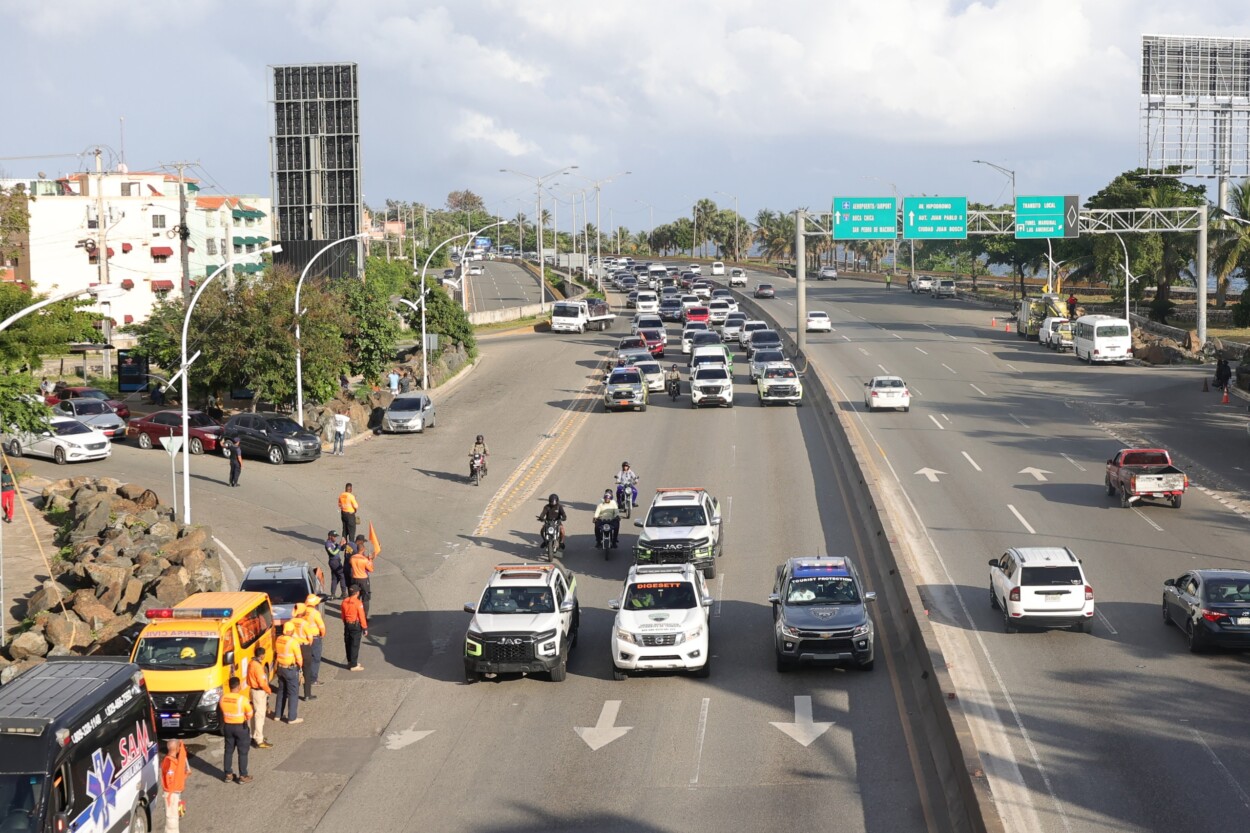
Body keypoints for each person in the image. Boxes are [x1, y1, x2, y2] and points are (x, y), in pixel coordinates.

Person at [219, 677, 253, 783]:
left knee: (228, 751)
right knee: (242, 752)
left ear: (230, 686)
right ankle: (243, 776)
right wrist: (244, 719)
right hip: (240, 727)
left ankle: (228, 774)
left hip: (228, 726)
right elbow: (250, 713)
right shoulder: (242, 700)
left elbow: (220, 711)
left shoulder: (223, 698)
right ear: (238, 686)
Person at [272, 622, 303, 725]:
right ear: (291, 631)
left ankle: (277, 715)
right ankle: (292, 718)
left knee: (281, 691)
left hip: (280, 668)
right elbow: (299, 659)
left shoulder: (279, 639)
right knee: (293, 693)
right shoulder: (293, 642)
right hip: (290, 669)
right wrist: (300, 667)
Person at [245, 647, 273, 749]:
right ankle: (259, 740)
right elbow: (262, 682)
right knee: (260, 716)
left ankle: (254, 736)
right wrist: (268, 690)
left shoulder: (251, 663)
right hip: (259, 692)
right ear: (261, 655)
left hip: (252, 690)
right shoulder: (257, 667)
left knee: (254, 715)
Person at [299, 596, 326, 699]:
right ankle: (313, 679)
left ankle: (304, 677)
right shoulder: (315, 613)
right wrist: (322, 635)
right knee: (316, 658)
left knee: (306, 658)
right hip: (315, 638)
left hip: (304, 638)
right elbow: (321, 626)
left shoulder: (303, 611)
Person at [160, 739, 189, 831]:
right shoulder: (169, 763)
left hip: (174, 794)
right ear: (176, 748)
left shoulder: (170, 760)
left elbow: (176, 778)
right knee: (172, 820)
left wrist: (184, 775)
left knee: (175, 817)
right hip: (172, 795)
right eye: (179, 747)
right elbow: (170, 781)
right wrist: (172, 795)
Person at [341, 585, 368, 671]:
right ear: (357, 592)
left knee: (348, 643)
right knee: (354, 644)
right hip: (355, 625)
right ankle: (354, 665)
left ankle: (350, 662)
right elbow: (362, 616)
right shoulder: (358, 603)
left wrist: (345, 622)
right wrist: (365, 628)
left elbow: (342, 615)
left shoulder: (344, 601)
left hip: (347, 624)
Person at [349, 539, 374, 616]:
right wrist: (370, 560)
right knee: (365, 598)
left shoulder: (352, 558)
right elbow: (371, 569)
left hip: (354, 579)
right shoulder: (364, 560)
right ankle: (364, 616)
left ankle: (355, 614)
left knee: (356, 597)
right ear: (363, 549)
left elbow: (350, 564)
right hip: (363, 579)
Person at [325, 532, 346, 599]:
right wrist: (340, 545)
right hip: (334, 562)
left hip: (336, 561)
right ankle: (344, 593)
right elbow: (333, 553)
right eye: (334, 536)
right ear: (330, 536)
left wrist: (343, 545)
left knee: (335, 578)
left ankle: (332, 594)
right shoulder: (328, 544)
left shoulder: (333, 543)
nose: (335, 538)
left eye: (335, 536)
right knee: (342, 576)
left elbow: (340, 549)